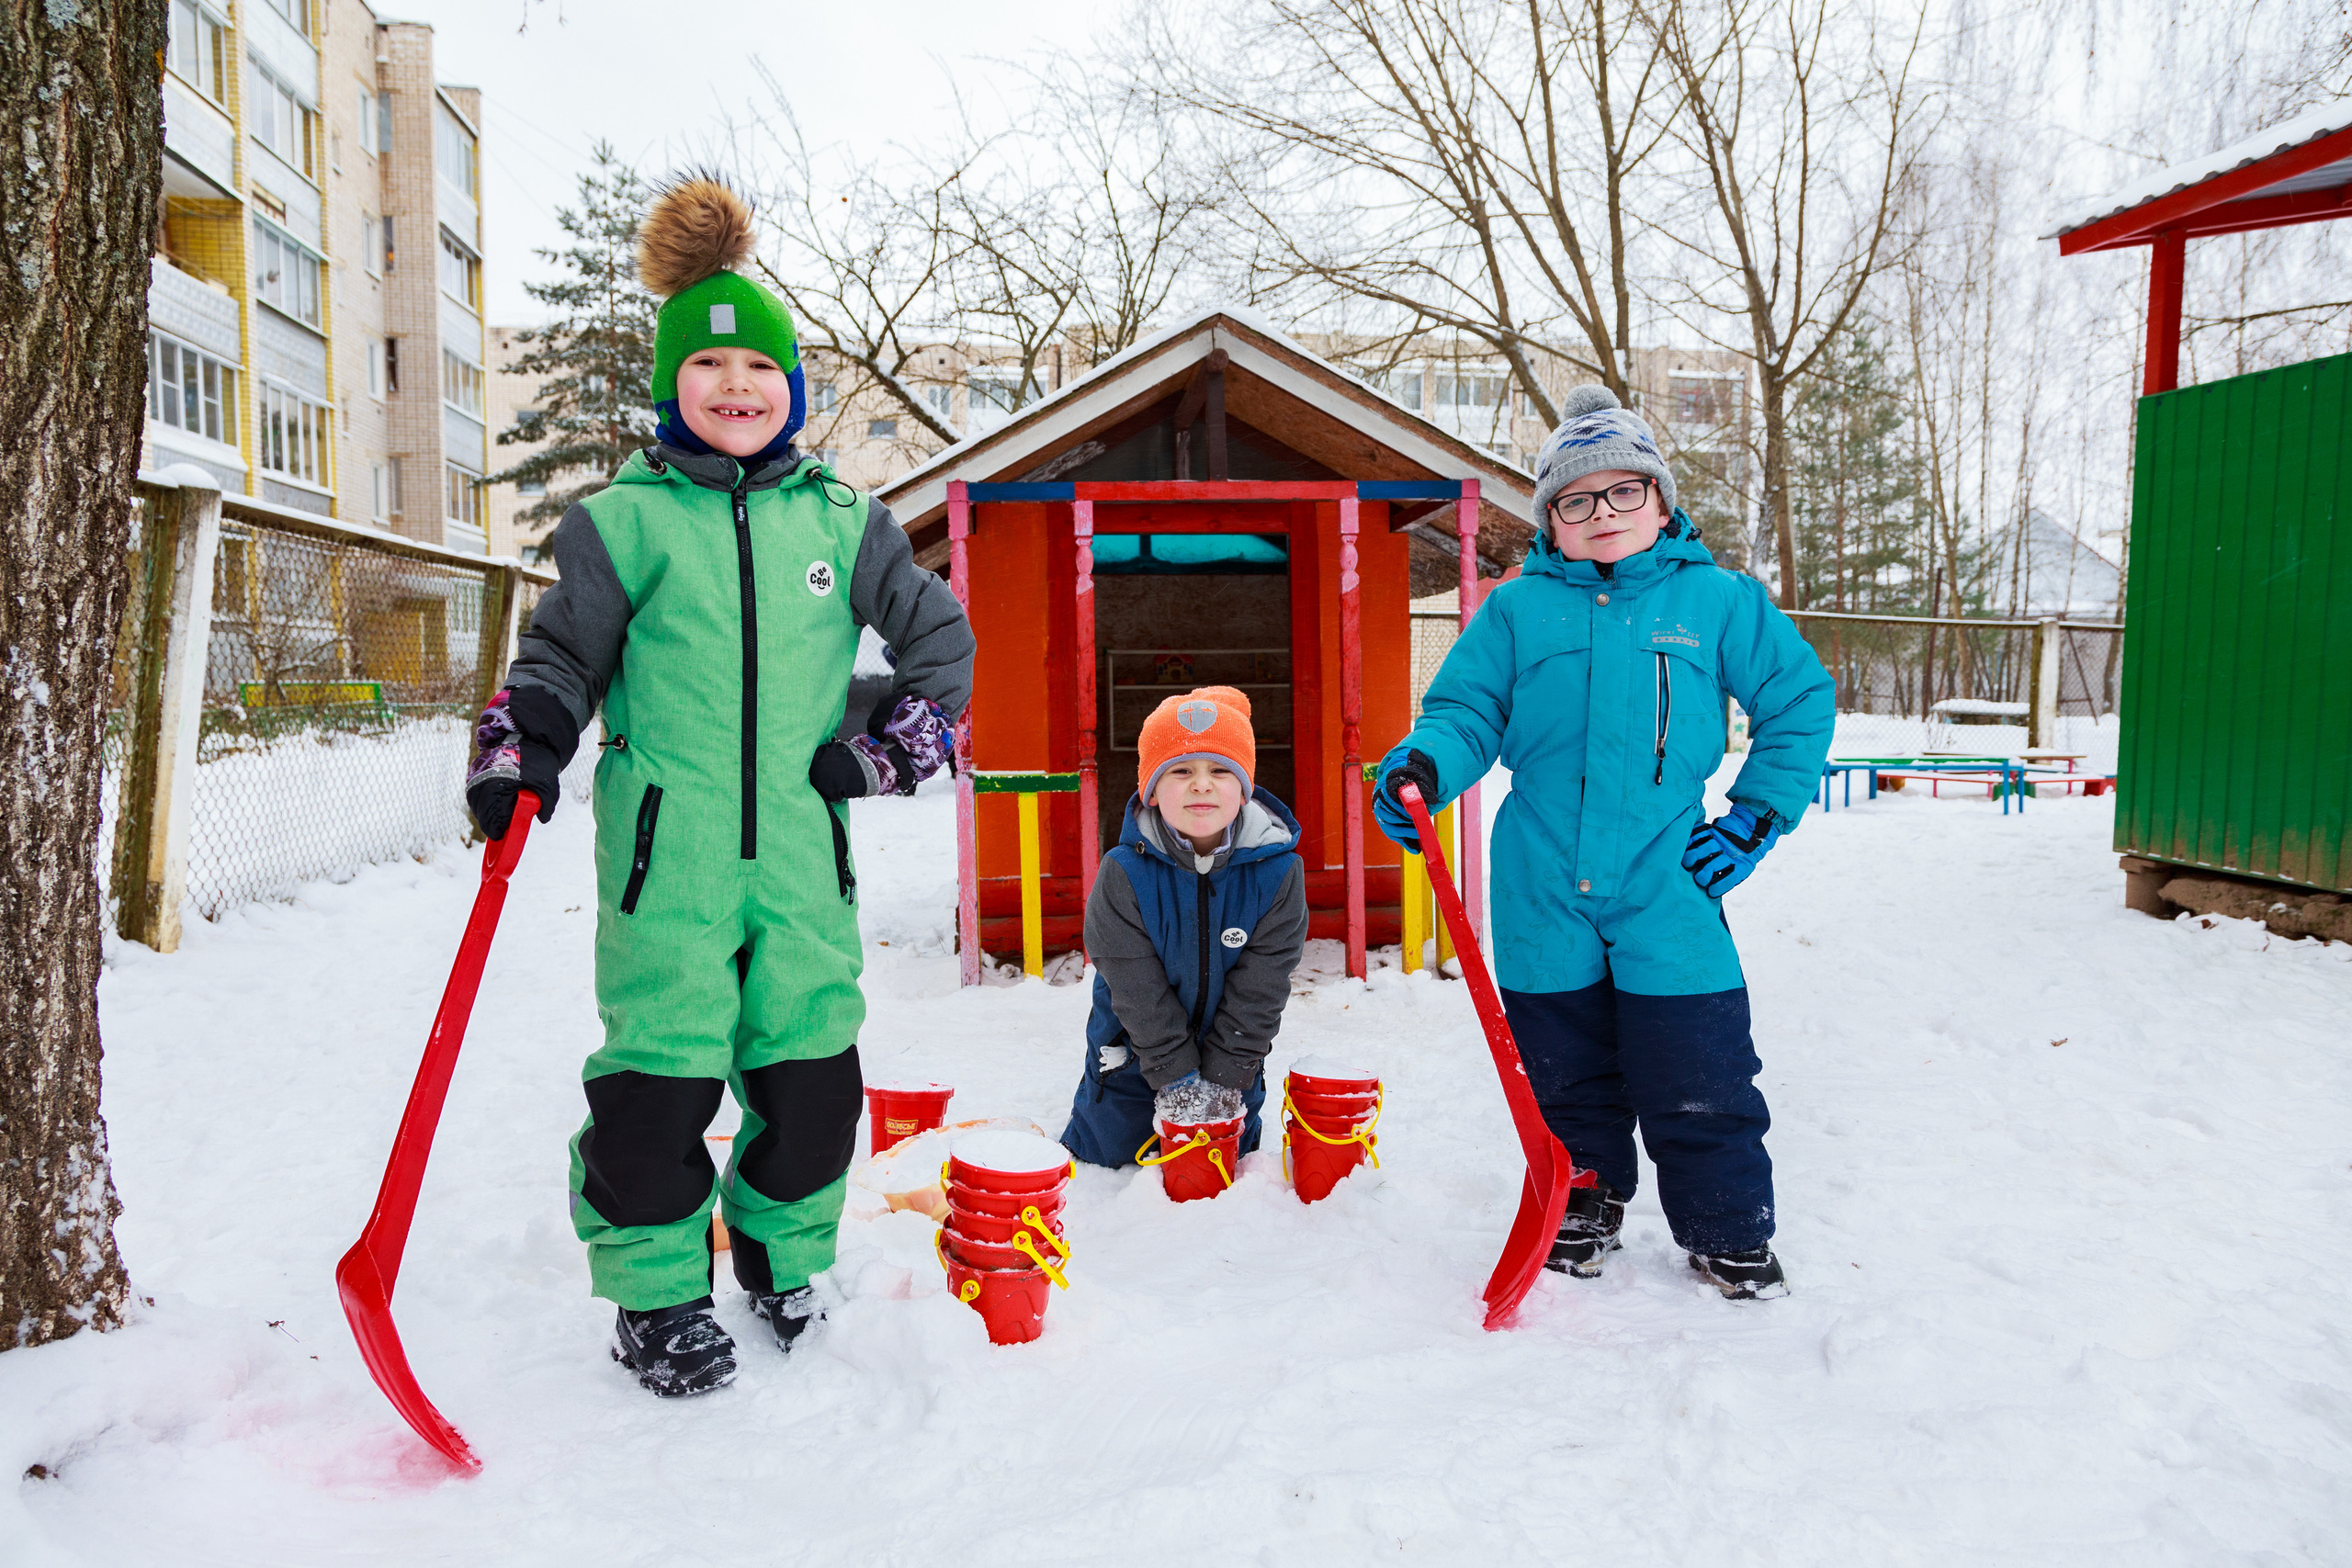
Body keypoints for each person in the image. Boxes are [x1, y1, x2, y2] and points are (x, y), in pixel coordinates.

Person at [463, 177, 975, 1395]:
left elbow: (941, 649)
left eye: (763, 365)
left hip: (801, 865)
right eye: (712, 365)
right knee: (660, 1083)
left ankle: (780, 1256)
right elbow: (559, 662)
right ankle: (653, 1293)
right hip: (666, 865)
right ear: (670, 386)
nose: (739, 383)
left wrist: (887, 749)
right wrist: (518, 747)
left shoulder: (847, 521)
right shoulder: (623, 524)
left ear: (795, 389)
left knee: (811, 1081)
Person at [1374, 386, 1832, 1301]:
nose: (1602, 513)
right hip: (1540, 871)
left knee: (1696, 1060)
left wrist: (1753, 816)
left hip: (1668, 873)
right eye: (1575, 500)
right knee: (1563, 1065)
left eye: (1624, 492)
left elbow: (1796, 703)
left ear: (1662, 503)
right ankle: (1581, 1199)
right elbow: (1466, 713)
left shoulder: (1719, 602)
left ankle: (1726, 1223)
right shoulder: (1514, 612)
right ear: (1551, 522)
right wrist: (1424, 765)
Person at [1061, 686, 1309, 1169]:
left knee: (1227, 1172)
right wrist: (1175, 1075)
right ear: (1151, 790)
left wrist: (1226, 1076)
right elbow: (1133, 985)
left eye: (1220, 770)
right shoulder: (1124, 874)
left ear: (1245, 789)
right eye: (1181, 771)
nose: (1202, 785)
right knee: (1111, 1164)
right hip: (1131, 1056)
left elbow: (1264, 983)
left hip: (1233, 1063)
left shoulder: (1279, 873)